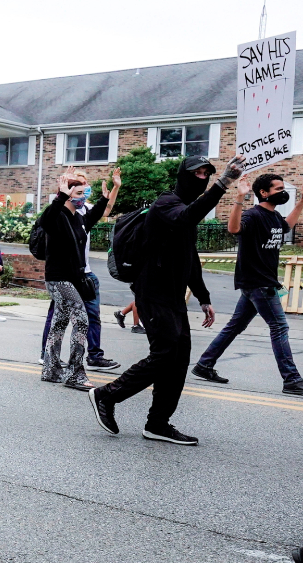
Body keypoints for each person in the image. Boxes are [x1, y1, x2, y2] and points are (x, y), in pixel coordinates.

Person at [89, 155, 245, 446]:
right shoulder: (166, 204)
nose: (202, 178)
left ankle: (158, 423)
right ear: (183, 175)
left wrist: (203, 297)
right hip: (152, 293)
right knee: (165, 353)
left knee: (179, 358)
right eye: (197, 173)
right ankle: (107, 395)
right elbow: (186, 217)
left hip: (173, 296)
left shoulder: (186, 209)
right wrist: (223, 183)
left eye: (206, 174)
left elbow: (190, 258)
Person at [191, 174, 303, 394]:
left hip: (258, 283)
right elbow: (234, 229)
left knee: (235, 326)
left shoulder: (274, 216)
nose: (283, 192)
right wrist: (240, 198)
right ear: (263, 192)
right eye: (278, 188)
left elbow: (286, 227)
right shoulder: (253, 215)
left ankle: (204, 364)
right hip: (259, 283)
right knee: (279, 327)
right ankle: (291, 379)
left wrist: (300, 204)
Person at [39, 169, 122, 369]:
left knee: (60, 322)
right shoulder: (58, 215)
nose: (83, 197)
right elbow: (46, 220)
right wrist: (60, 196)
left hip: (79, 276)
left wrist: (105, 197)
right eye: (79, 193)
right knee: (80, 320)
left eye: (85, 192)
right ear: (67, 193)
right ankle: (74, 370)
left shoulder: (78, 217)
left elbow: (94, 216)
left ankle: (51, 366)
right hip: (61, 279)